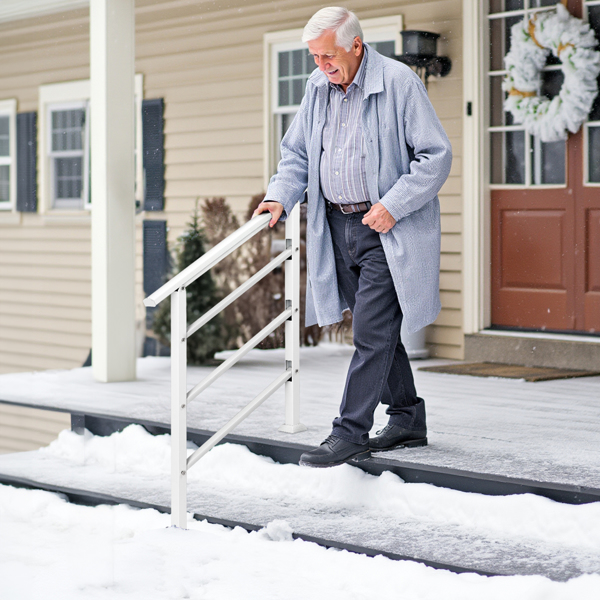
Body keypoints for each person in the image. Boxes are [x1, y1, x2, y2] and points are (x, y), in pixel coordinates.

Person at [254, 7, 452, 468]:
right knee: (377, 331)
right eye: (315, 57)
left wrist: (393, 205)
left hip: (388, 228)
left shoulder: (400, 82)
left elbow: (434, 156)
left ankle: (350, 432)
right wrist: (280, 196)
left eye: (328, 55)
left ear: (356, 45)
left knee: (369, 332)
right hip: (337, 226)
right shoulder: (317, 88)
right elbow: (297, 153)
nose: (320, 65)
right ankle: (406, 417)